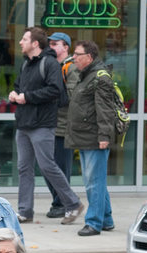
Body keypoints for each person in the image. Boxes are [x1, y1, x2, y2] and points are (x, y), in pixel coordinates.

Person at [9, 26, 82, 225]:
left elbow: (56, 91)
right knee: (24, 168)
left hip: (42, 124)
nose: (20, 42)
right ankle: (25, 211)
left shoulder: (49, 64)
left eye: (24, 39)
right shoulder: (26, 65)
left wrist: (27, 97)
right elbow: (19, 86)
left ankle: (73, 203)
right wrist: (15, 95)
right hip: (24, 123)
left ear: (34, 44)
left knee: (47, 165)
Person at [63, 40, 118, 237]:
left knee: (93, 182)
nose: (74, 58)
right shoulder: (86, 76)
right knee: (96, 181)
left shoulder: (99, 78)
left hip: (94, 138)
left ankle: (94, 223)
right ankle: (107, 219)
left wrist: (104, 136)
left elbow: (105, 110)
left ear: (90, 57)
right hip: (86, 136)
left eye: (78, 54)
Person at [45, 31, 75, 220]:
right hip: (51, 124)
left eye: (56, 44)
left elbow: (72, 97)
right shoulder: (54, 66)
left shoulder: (70, 68)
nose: (51, 47)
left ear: (66, 46)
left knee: (61, 167)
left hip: (64, 126)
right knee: (48, 165)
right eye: (50, 44)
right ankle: (59, 201)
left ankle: (62, 203)